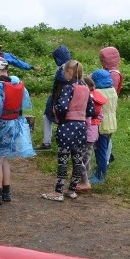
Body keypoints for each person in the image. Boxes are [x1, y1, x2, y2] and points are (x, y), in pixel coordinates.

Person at [0, 57, 35, 205]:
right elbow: (24, 103)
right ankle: (6, 192)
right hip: (14, 123)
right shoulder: (17, 84)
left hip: (1, 125)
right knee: (4, 158)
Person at [42, 60, 95, 202]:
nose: (64, 74)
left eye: (65, 71)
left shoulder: (68, 88)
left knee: (63, 159)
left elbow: (63, 106)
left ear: (70, 72)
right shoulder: (86, 89)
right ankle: (72, 190)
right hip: (81, 127)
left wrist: (56, 110)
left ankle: (58, 191)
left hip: (67, 125)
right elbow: (91, 110)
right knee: (77, 158)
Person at [36, 44, 71, 152]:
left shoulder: (65, 68)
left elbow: (62, 82)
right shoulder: (72, 65)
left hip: (61, 98)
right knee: (50, 118)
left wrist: (54, 103)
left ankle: (48, 143)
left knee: (51, 118)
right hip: (62, 98)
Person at [76, 74, 107, 193]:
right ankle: (83, 180)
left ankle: (85, 182)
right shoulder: (97, 98)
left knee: (79, 158)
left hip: (86, 133)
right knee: (86, 159)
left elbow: (86, 118)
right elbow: (100, 115)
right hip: (94, 134)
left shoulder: (88, 99)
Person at [89, 68, 118, 185]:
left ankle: (100, 175)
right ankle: (100, 173)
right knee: (104, 150)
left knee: (100, 151)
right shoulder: (112, 91)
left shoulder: (98, 93)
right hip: (111, 123)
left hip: (101, 124)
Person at [99, 46, 124, 163]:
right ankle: (107, 155)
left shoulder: (114, 74)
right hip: (105, 106)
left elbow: (109, 93)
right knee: (104, 133)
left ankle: (106, 159)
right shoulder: (109, 72)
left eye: (103, 59)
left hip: (107, 107)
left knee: (106, 133)